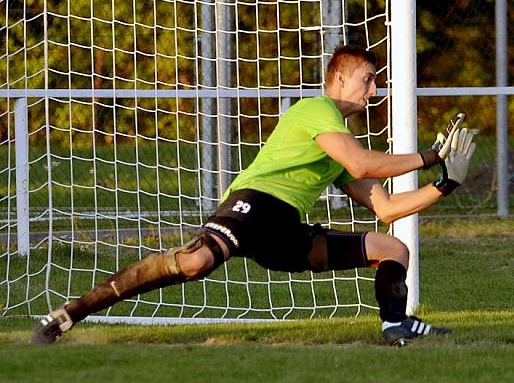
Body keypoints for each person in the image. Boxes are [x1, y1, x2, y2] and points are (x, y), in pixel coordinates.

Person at [32, 45, 477, 346]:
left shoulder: (338, 140)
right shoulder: (314, 109)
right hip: (253, 205)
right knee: (195, 263)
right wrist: (431, 155)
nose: (374, 90)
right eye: (367, 80)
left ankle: (396, 325)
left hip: (284, 231)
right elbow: (362, 164)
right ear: (338, 79)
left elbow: (385, 208)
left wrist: (446, 183)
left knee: (392, 248)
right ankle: (73, 311)